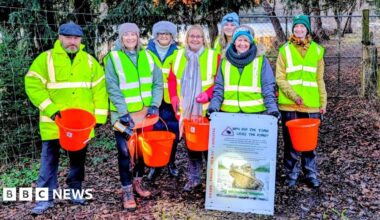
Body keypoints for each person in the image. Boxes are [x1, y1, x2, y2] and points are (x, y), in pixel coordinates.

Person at [25, 22, 108, 215]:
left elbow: (100, 91)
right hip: (54, 123)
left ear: (80, 40)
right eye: (68, 37)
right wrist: (51, 110)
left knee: (78, 160)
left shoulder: (89, 62)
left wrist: (99, 117)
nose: (73, 42)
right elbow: (32, 84)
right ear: (60, 37)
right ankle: (45, 198)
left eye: (76, 38)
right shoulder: (45, 59)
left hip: (81, 125)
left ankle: (75, 191)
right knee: (49, 160)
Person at [104, 22, 163, 210]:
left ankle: (137, 182)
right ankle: (127, 190)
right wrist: (123, 113)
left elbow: (157, 83)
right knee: (124, 152)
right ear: (120, 37)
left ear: (138, 37)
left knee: (140, 150)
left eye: (133, 35)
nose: (130, 38)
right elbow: (112, 87)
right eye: (126, 35)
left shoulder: (148, 56)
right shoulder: (112, 58)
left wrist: (155, 104)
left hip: (144, 115)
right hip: (121, 117)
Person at [275, 14, 327, 188]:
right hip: (289, 104)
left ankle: (310, 173)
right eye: (296, 27)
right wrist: (294, 96)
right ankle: (291, 173)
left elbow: (319, 79)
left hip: (311, 104)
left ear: (307, 29)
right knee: (290, 142)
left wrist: (323, 102)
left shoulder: (318, 51)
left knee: (309, 142)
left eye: (302, 27)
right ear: (293, 29)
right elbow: (280, 78)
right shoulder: (284, 50)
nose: (299, 29)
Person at [167, 24, 220, 192]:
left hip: (206, 109)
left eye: (198, 36)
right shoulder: (178, 56)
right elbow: (172, 79)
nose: (195, 39)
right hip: (187, 109)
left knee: (210, 146)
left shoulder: (213, 56)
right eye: (192, 36)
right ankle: (194, 178)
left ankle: (213, 181)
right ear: (187, 39)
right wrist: (174, 97)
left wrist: (209, 94)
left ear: (203, 39)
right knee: (192, 144)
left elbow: (220, 81)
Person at [207, 26, 279, 130]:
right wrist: (213, 107)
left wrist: (272, 109)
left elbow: (268, 87)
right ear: (234, 42)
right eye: (239, 40)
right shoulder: (225, 61)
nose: (242, 43)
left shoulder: (260, 60)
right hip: (229, 114)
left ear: (251, 42)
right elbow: (219, 88)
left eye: (246, 40)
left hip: (255, 114)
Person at [145, 21, 179, 181]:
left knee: (173, 132)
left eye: (167, 34)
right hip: (154, 100)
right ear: (155, 36)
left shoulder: (179, 53)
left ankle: (171, 162)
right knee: (156, 132)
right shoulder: (146, 54)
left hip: (173, 100)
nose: (164, 37)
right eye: (160, 34)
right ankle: (155, 166)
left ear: (172, 37)